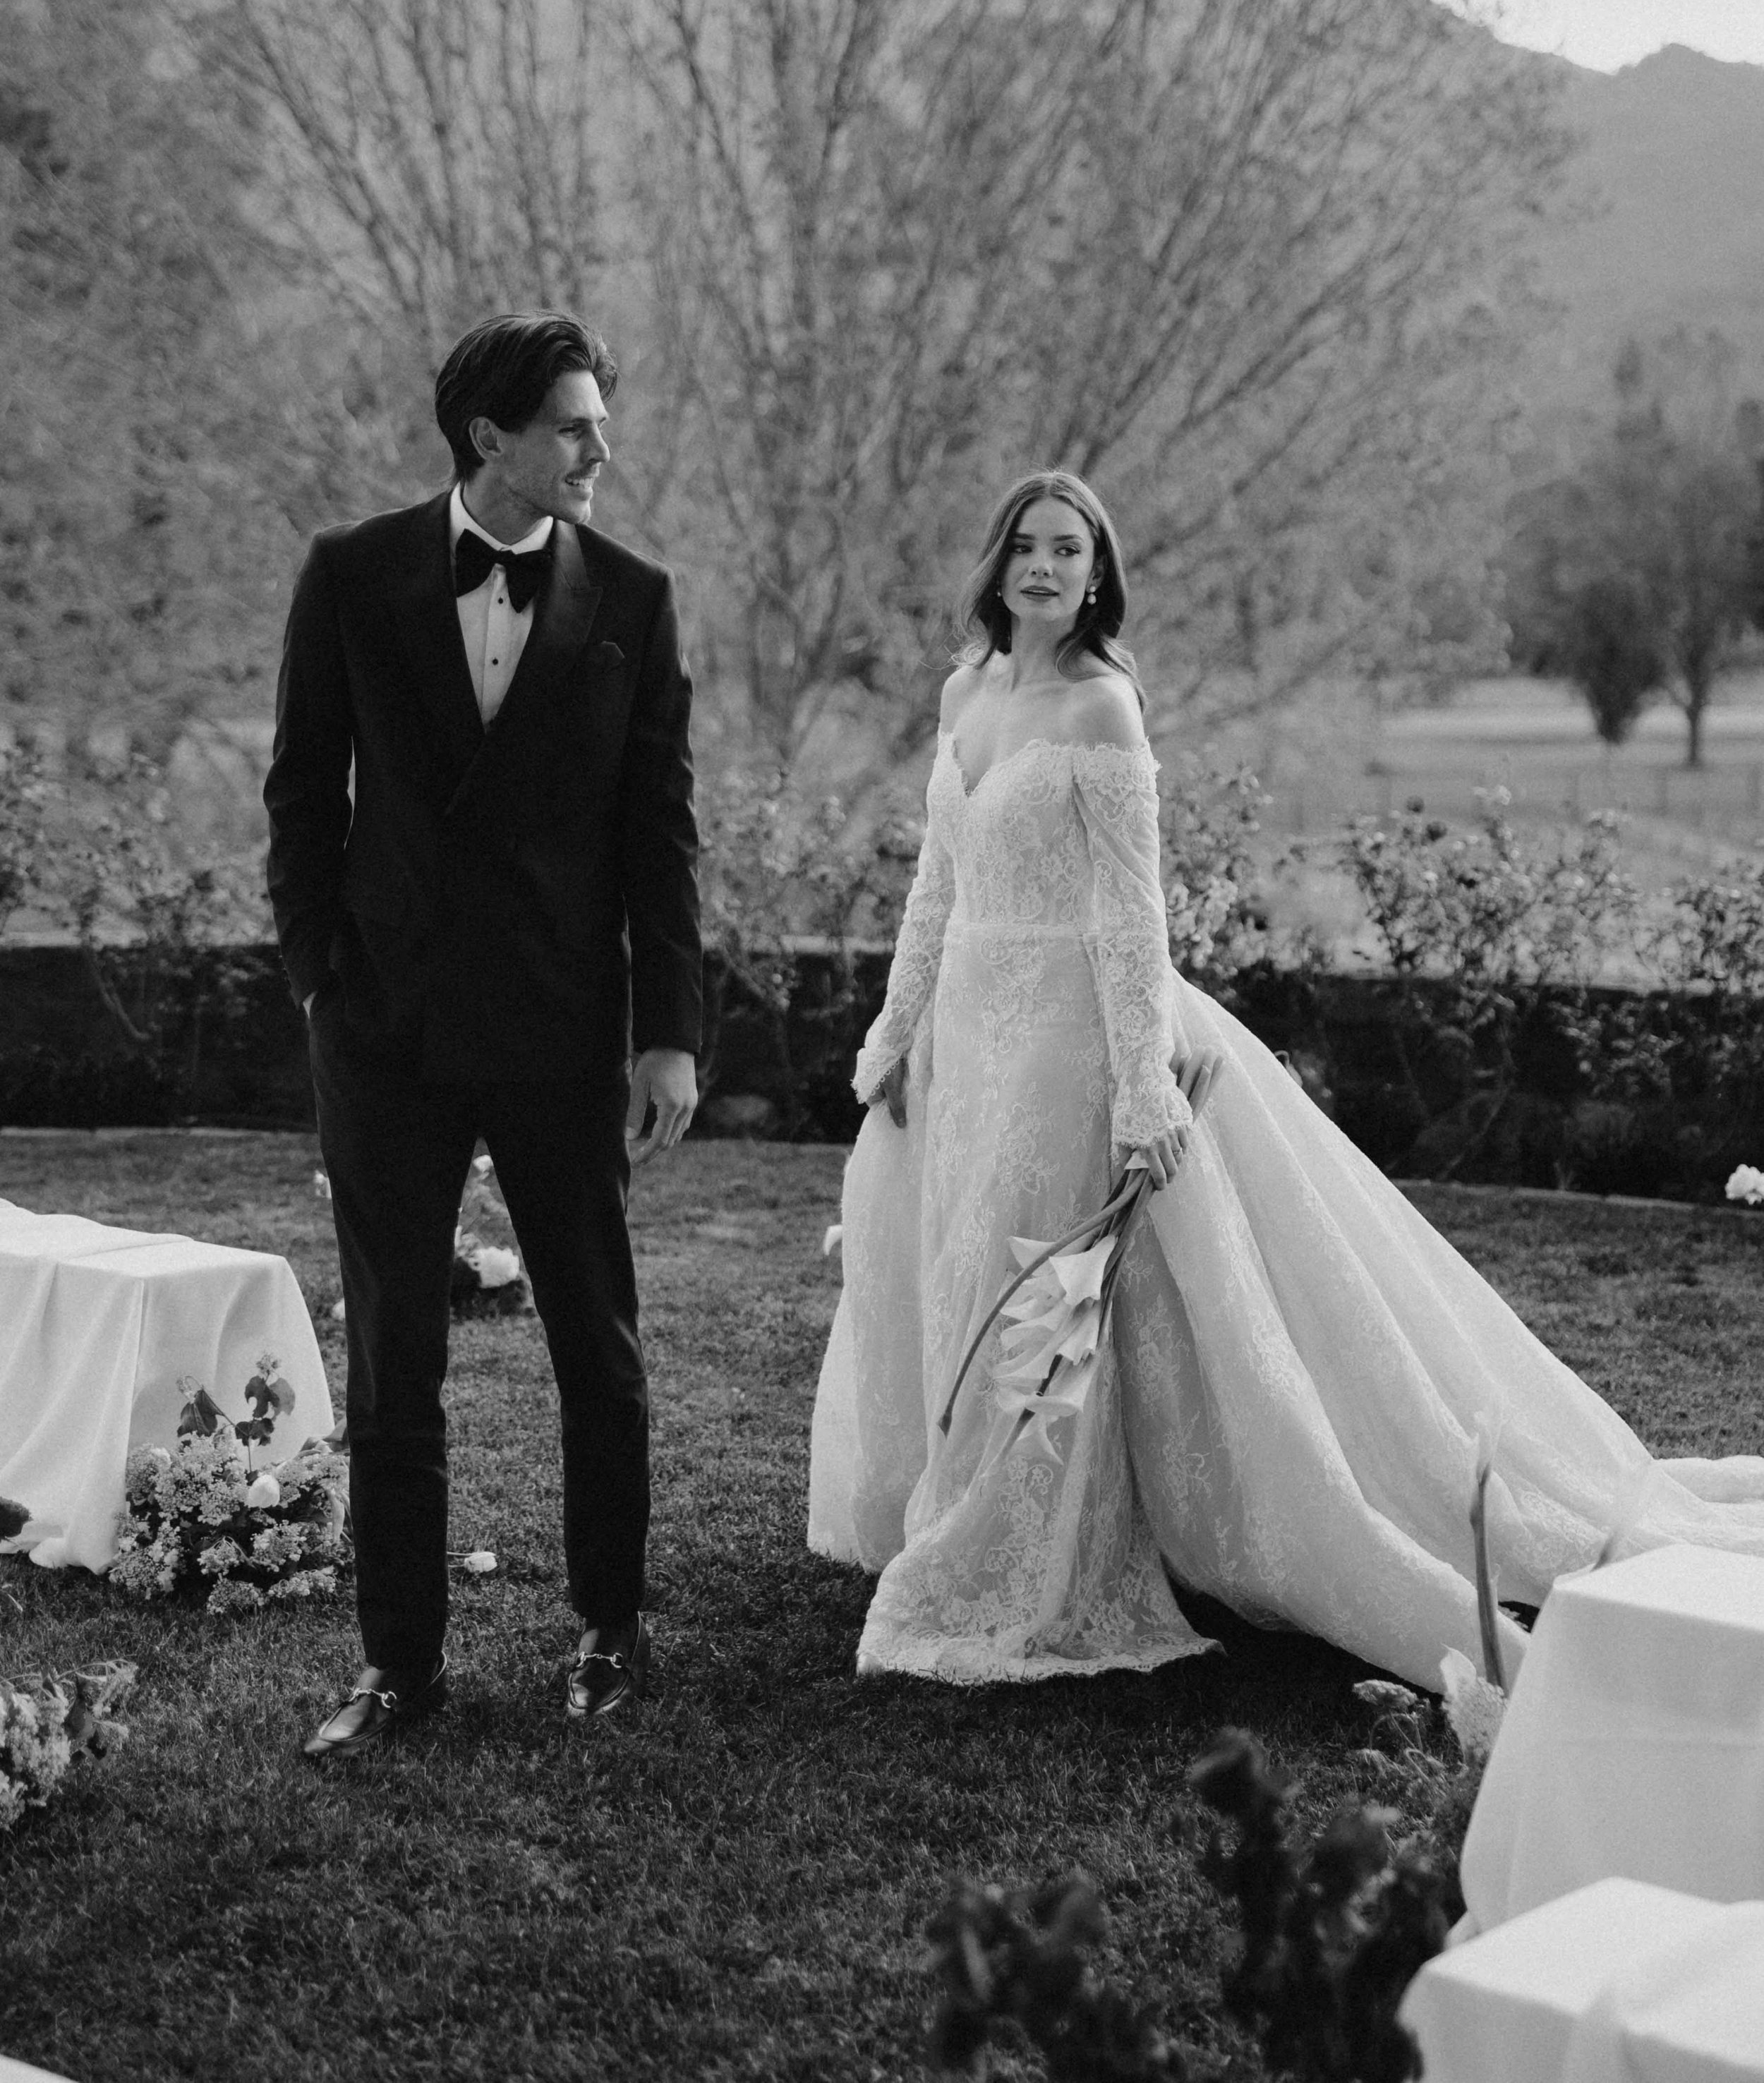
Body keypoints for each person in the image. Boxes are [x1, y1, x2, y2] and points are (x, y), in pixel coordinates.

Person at [808, 469, 1764, 1688]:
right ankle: (961, 1506)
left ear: (1097, 577)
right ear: (995, 566)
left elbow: (1130, 918)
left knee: (1047, 1284)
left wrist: (1145, 1087)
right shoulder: (968, 691)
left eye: (1070, 551)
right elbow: (937, 887)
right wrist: (893, 1033)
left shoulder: (1105, 710)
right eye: (1026, 548)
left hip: (1067, 1040)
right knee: (966, 1269)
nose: (1045, 569)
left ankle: (1035, 1552)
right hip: (968, 1045)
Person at [266, 311, 700, 1758]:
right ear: (488, 439)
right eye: (573, 426)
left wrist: (667, 1036)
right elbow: (298, 793)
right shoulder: (350, 574)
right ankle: (398, 1670)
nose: (598, 448)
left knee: (597, 1338)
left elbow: (660, 836)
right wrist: (321, 978)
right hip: (383, 1029)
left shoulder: (633, 598)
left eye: (597, 421)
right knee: (396, 1355)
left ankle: (608, 1629)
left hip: (564, 1028)